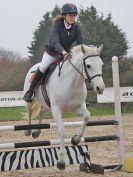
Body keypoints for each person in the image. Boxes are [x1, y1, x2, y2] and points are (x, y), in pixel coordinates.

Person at [23, 3, 83, 102]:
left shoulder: (76, 27)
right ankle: (30, 91)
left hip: (66, 54)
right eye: (70, 15)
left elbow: (80, 43)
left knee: (78, 68)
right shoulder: (57, 26)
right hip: (52, 53)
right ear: (64, 16)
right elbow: (56, 42)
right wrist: (63, 52)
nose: (73, 17)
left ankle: (81, 96)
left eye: (74, 15)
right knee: (43, 67)